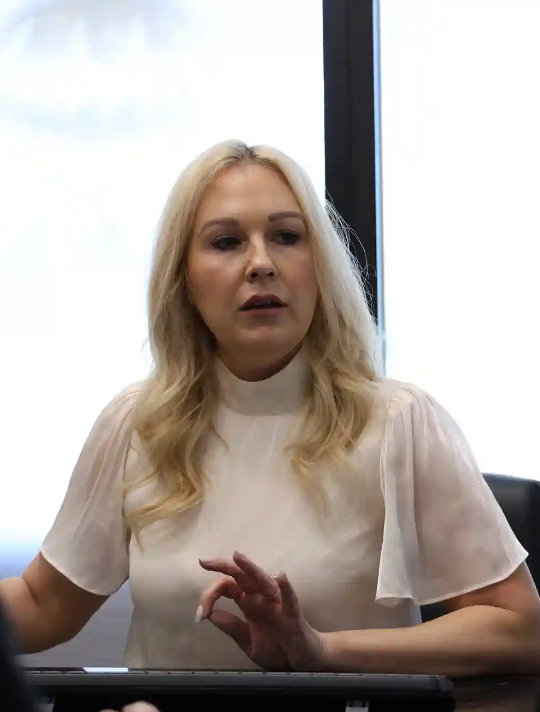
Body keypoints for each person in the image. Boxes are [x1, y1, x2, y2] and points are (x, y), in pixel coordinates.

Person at [1, 140, 540, 680]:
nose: (261, 263)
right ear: (184, 279)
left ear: (319, 267)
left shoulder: (399, 422)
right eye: (227, 242)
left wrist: (322, 652)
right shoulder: (137, 424)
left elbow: (520, 628)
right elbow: (43, 605)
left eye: (286, 237)